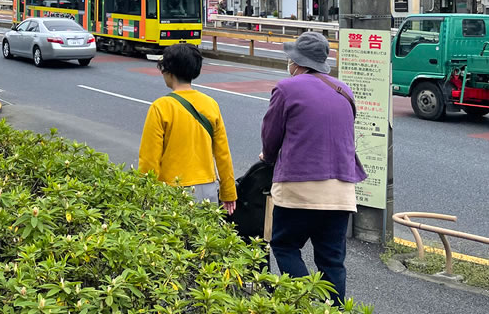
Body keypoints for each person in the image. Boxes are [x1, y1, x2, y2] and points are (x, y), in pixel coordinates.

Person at [260, 32, 366, 304]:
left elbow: (271, 137)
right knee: (332, 261)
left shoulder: (286, 88)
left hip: (299, 188)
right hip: (341, 192)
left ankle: (304, 306)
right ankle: (333, 310)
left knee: (284, 245)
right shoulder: (344, 90)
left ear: (296, 61)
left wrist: (268, 156)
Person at [138, 43, 237, 213]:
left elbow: (149, 159)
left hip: (172, 189)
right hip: (207, 188)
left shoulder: (161, 107)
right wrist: (228, 193)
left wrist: (143, 195)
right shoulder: (211, 104)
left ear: (168, 72)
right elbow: (223, 154)